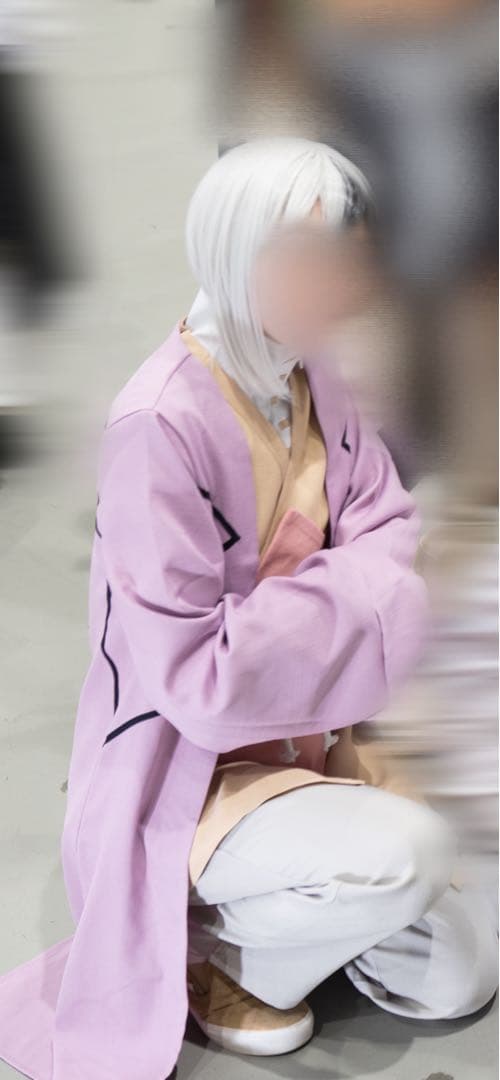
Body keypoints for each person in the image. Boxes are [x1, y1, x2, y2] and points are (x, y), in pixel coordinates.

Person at [0, 137, 495, 1080]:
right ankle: (219, 958)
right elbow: (199, 675)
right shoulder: (157, 426)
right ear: (233, 255)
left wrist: (314, 606)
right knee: (407, 854)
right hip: (189, 769)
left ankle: (291, 910)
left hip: (313, 735)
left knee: (460, 979)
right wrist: (364, 592)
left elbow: (391, 528)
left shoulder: (322, 378)